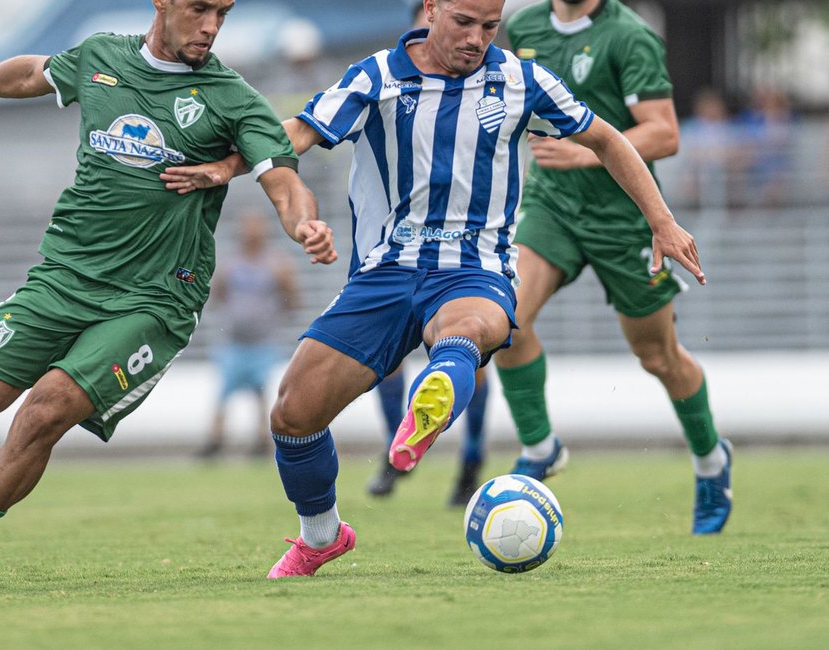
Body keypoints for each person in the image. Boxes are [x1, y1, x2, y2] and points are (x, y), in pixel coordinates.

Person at [162, 0, 705, 578]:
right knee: (294, 415)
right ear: (431, 10)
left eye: (490, 27)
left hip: (475, 268)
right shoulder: (377, 75)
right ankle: (321, 535)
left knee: (469, 328)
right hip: (385, 272)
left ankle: (440, 387)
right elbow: (297, 131)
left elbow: (609, 140)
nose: (477, 39)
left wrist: (662, 221)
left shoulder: (521, 79)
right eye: (465, 23)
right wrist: (225, 166)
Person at [0, 0, 337, 592]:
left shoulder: (232, 98)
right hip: (64, 276)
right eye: (199, 10)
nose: (211, 26)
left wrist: (303, 225)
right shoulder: (102, 56)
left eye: (223, 13)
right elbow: (35, 73)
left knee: (45, 410)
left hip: (153, 299)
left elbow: (282, 177)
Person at [497, 0, 732, 535]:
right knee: (505, 321)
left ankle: (712, 461)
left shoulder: (630, 36)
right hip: (551, 205)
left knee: (657, 355)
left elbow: (665, 133)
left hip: (624, 217)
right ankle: (540, 446)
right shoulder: (524, 25)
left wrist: (586, 152)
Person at [366, 0, 491, 509]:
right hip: (397, 244)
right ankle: (398, 445)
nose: (471, 35)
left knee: (468, 352)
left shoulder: (488, 65)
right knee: (387, 362)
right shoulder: (395, 65)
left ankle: (471, 460)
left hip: (471, 244)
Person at [198, 210, 299, 459]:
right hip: (235, 341)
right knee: (224, 392)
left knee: (262, 392)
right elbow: (218, 293)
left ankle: (262, 441)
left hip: (263, 341)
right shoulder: (231, 263)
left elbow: (292, 297)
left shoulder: (276, 263)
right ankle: (215, 439)